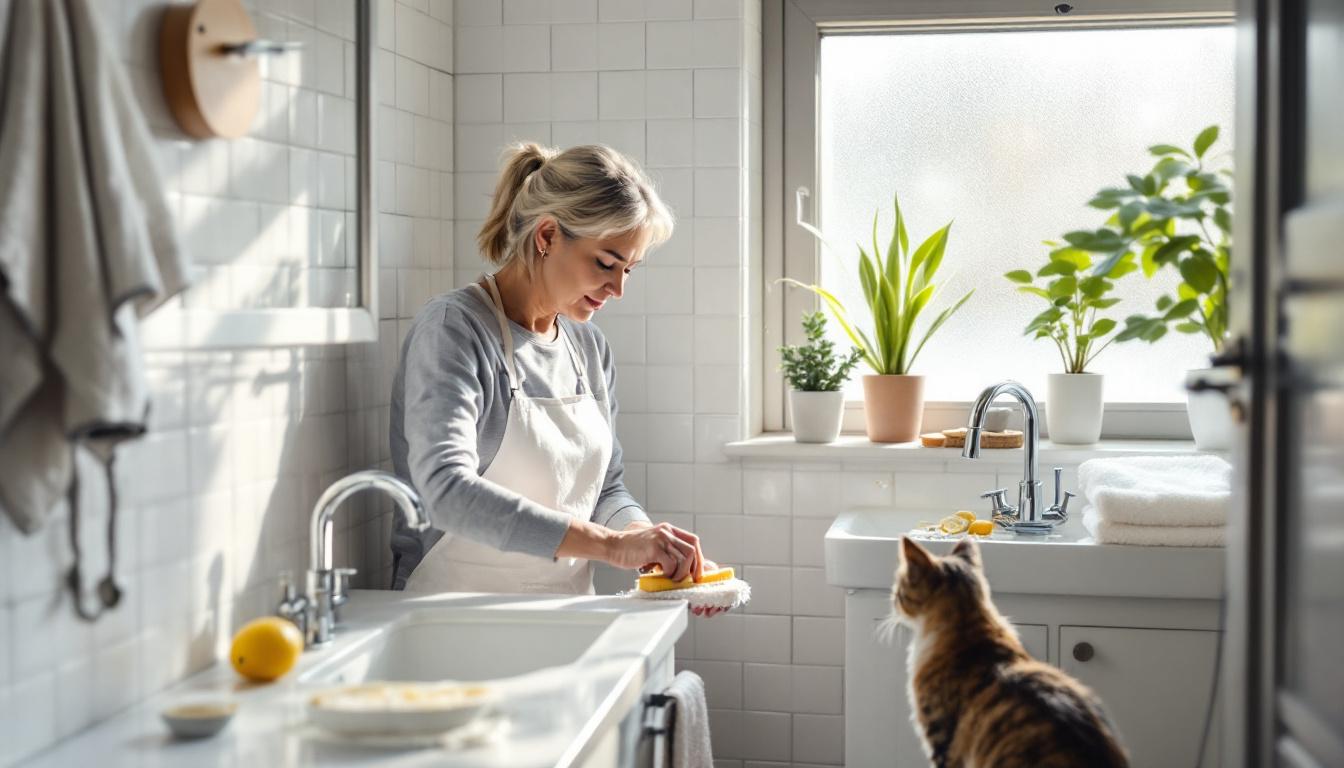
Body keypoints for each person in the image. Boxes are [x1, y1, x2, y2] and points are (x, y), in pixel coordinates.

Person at [389, 143, 723, 614]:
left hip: (562, 618)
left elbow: (607, 489)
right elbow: (444, 491)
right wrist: (608, 546)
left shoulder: (588, 348)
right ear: (547, 236)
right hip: (449, 619)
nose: (618, 289)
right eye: (606, 264)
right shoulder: (454, 330)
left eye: (629, 269)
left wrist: (643, 542)